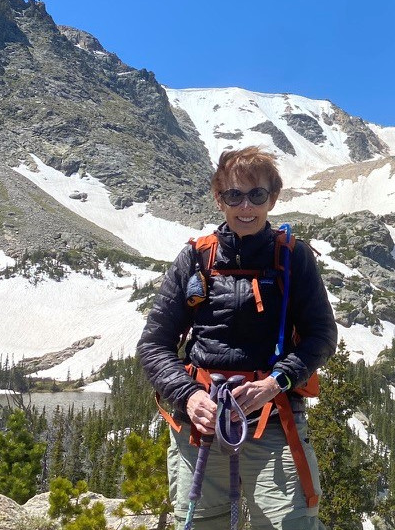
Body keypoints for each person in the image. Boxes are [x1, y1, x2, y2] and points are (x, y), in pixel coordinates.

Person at [137, 146, 337, 530]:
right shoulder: (195, 259)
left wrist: (273, 383)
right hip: (202, 420)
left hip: (274, 415)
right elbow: (153, 343)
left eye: (257, 195)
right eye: (234, 195)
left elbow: (322, 335)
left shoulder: (294, 259)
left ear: (272, 198)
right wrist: (188, 395)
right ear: (219, 199)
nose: (246, 206)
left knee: (289, 523)